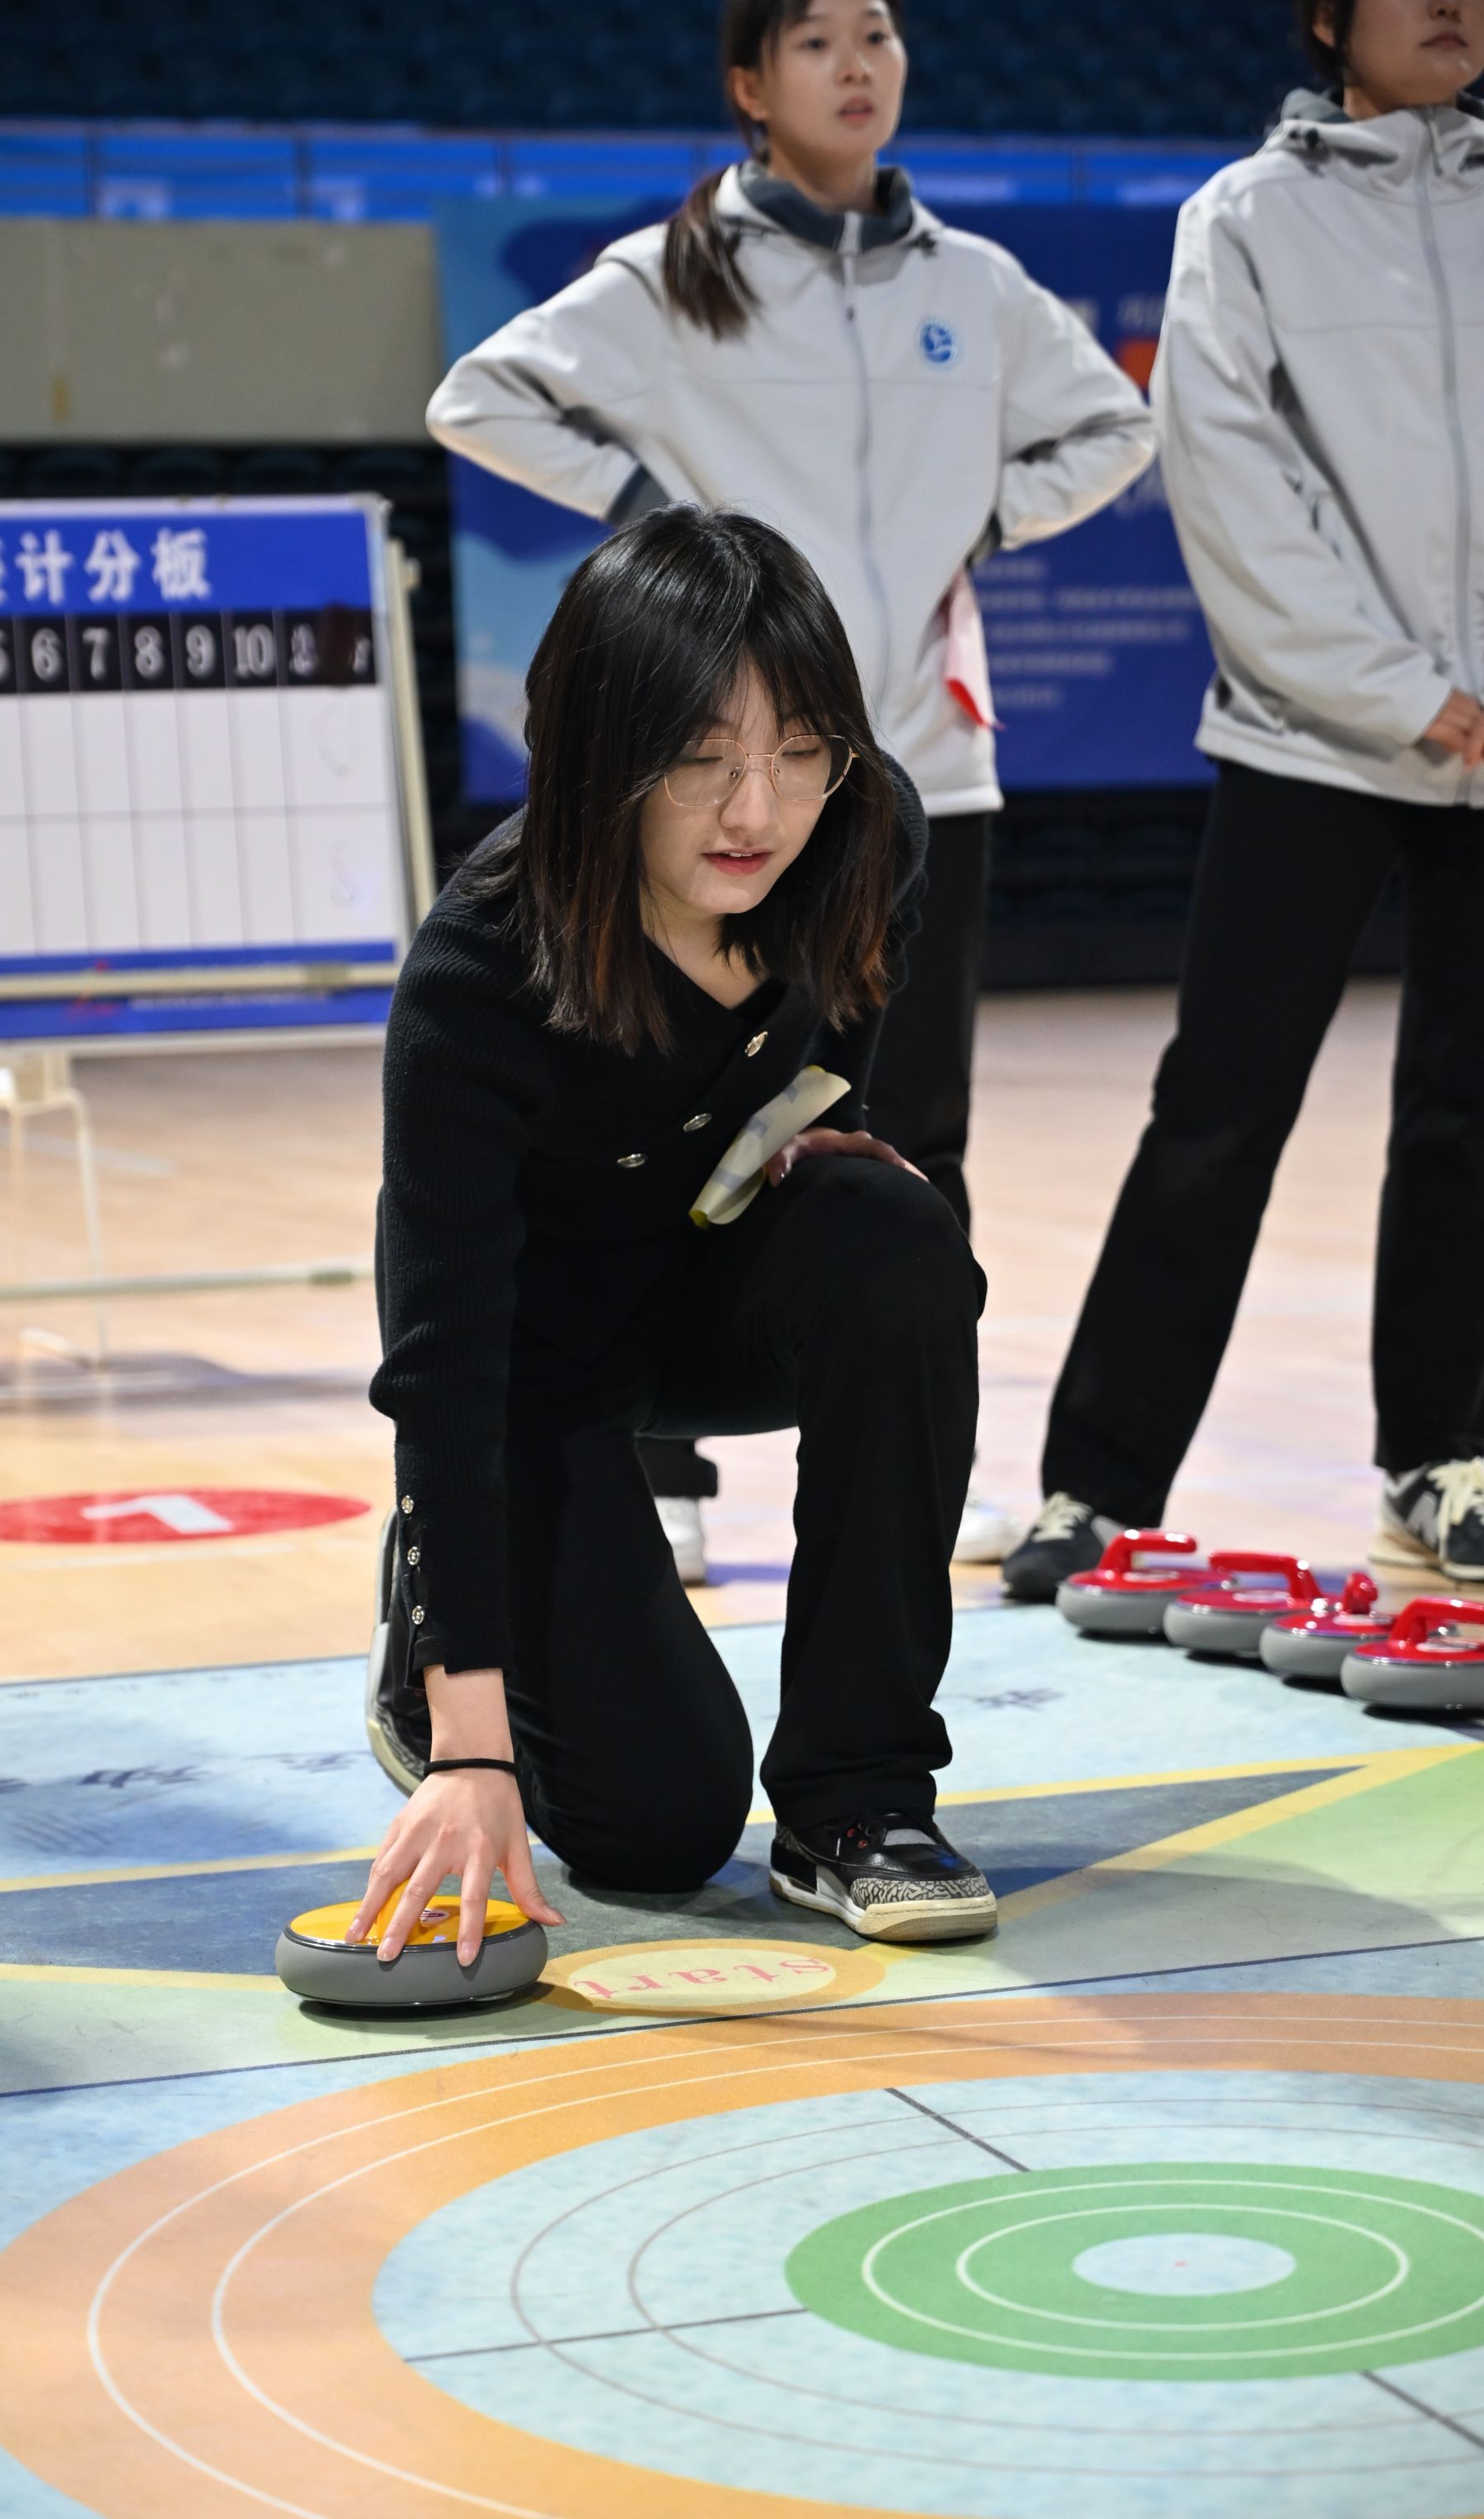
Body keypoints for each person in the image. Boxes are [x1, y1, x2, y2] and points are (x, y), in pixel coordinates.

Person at [425, 0, 1155, 1574]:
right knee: (665, 1114)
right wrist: (655, 514)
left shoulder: (975, 283)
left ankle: (912, 1456)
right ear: (752, 86)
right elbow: (475, 396)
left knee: (912, 1134)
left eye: (878, 33)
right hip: (713, 785)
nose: (859, 64)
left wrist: (980, 524)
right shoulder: (674, 274)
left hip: (918, 769)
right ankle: (663, 1474)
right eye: (818, 41)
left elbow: (1117, 422)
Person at [352, 508, 993, 1966]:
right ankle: (430, 1615)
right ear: (603, 754)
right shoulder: (478, 977)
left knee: (896, 1233)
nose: (756, 810)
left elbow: (845, 1037)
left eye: (801, 751)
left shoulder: (867, 833)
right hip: (533, 1368)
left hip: (706, 1289)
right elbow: (444, 1370)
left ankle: (859, 1799)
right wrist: (470, 1746)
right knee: (655, 1824)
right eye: (703, 759)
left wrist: (821, 1134)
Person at [1003, 0, 1484, 1603]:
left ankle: (1445, 1459)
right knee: (1217, 1114)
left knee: (1469, 1117)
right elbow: (1227, 483)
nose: (1453, 5)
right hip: (1310, 737)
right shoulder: (1247, 217)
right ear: (1329, 19)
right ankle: (1097, 1484)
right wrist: (1403, 693)